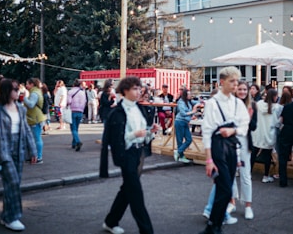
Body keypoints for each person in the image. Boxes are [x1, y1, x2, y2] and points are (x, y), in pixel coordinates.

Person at [101, 76, 159, 234]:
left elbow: (144, 135)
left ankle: (110, 221)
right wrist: (135, 134)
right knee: (136, 194)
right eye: (135, 88)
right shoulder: (118, 112)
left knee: (127, 190)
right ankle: (147, 230)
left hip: (138, 153)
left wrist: (150, 132)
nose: (138, 91)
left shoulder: (138, 109)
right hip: (126, 154)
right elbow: (117, 140)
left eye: (139, 88)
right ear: (125, 91)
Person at [199, 66, 250, 234]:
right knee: (226, 188)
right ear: (222, 82)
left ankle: (214, 226)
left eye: (237, 81)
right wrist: (208, 160)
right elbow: (206, 131)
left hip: (232, 145)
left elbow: (244, 124)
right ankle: (214, 224)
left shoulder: (237, 103)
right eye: (232, 81)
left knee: (224, 188)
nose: (235, 84)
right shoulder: (212, 103)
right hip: (217, 146)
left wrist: (233, 131)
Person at [0, 78, 37, 231]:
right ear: (6, 91)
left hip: (19, 149)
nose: (19, 91)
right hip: (4, 150)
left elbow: (27, 131)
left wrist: (33, 151)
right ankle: (13, 217)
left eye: (18, 89)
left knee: (11, 185)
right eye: (15, 89)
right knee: (14, 183)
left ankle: (5, 215)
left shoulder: (21, 109)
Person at [229, 81, 256, 219]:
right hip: (231, 142)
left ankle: (248, 206)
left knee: (246, 175)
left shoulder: (252, 106)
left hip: (245, 142)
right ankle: (232, 202)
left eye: (245, 89)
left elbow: (254, 126)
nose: (243, 92)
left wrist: (248, 118)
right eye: (240, 89)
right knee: (231, 173)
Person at [251, 89, 283, 183]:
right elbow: (278, 123)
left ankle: (248, 174)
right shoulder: (278, 107)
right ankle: (265, 176)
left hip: (257, 133)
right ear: (274, 97)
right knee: (267, 156)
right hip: (269, 134)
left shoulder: (259, 104)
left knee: (253, 154)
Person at [173, 89, 200, 163]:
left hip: (185, 122)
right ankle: (181, 156)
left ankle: (178, 152)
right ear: (185, 95)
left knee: (189, 139)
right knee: (180, 140)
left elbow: (197, 102)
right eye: (189, 94)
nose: (190, 95)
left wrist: (202, 102)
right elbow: (182, 113)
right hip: (179, 121)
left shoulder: (189, 101)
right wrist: (193, 111)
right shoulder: (180, 102)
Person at [23, 78, 46, 164]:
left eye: (27, 84)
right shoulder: (37, 92)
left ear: (32, 84)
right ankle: (34, 157)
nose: (26, 86)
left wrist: (24, 98)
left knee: (36, 138)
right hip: (36, 118)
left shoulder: (34, 93)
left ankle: (38, 157)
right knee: (34, 138)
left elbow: (31, 105)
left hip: (34, 118)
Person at [67, 79, 87, 151]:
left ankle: (78, 142)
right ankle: (74, 143)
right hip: (80, 111)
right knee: (76, 128)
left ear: (73, 85)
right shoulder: (82, 92)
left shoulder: (70, 92)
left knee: (73, 128)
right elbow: (85, 101)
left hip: (72, 111)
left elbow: (69, 101)